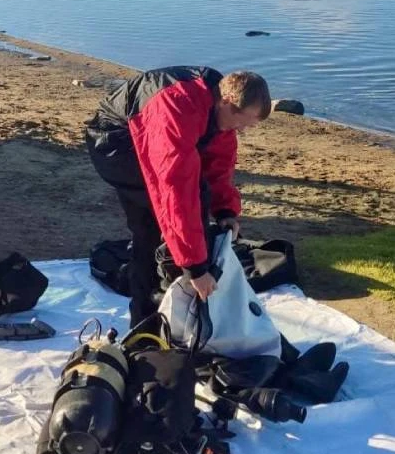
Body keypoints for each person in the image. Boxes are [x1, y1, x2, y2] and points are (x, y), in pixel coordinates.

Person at [85, 67, 271, 328]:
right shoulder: (177, 109)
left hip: (149, 130)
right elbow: (175, 191)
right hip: (116, 144)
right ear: (226, 102)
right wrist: (195, 267)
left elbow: (219, 163)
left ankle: (183, 304)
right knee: (151, 227)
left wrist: (225, 211)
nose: (242, 129)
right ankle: (147, 319)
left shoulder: (220, 108)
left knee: (194, 203)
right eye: (242, 122)